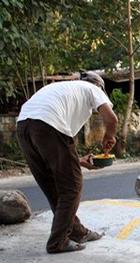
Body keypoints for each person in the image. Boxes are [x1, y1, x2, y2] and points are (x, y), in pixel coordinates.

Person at [16, 71, 118, 253]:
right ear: (99, 87)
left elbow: (57, 149)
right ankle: (58, 242)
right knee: (72, 187)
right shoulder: (92, 89)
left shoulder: (64, 90)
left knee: (52, 185)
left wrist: (77, 161)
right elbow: (112, 118)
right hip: (47, 123)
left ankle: (78, 232)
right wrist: (109, 136)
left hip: (23, 125)